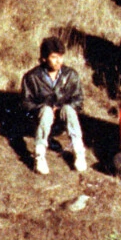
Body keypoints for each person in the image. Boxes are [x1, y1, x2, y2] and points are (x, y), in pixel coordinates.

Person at [20, 36, 86, 175]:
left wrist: (62, 107)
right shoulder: (32, 77)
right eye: (54, 57)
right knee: (46, 111)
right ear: (44, 58)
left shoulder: (71, 75)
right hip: (39, 120)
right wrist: (45, 108)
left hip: (62, 121)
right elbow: (25, 103)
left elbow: (79, 100)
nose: (59, 61)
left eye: (61, 57)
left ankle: (79, 151)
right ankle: (39, 155)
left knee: (69, 109)